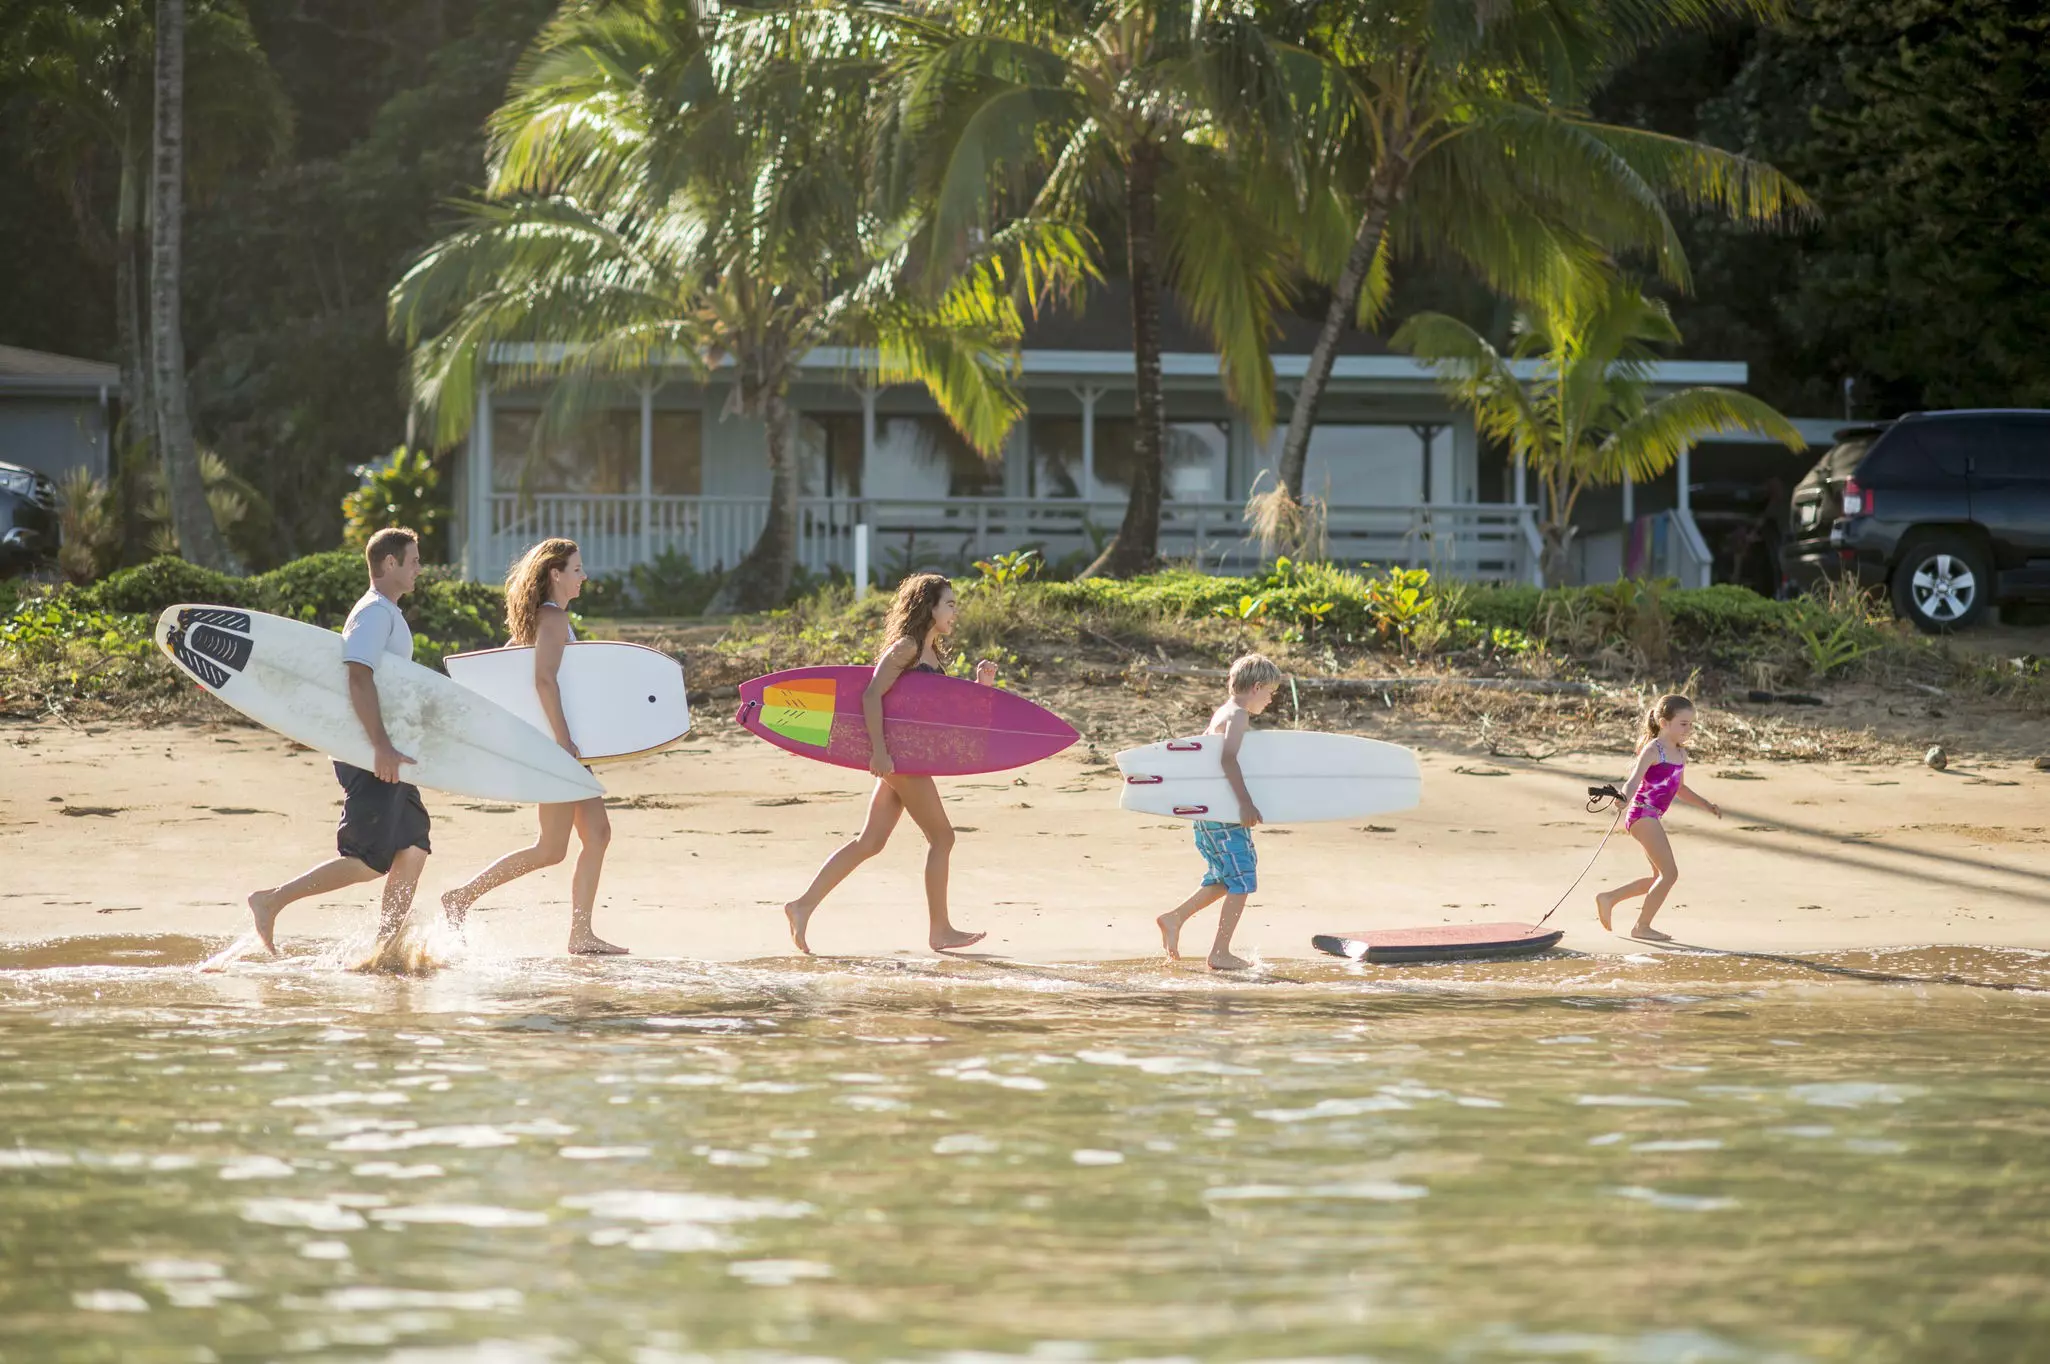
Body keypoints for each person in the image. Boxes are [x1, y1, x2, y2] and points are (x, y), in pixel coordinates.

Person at [783, 573, 995, 956]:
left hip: (905, 756)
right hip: (900, 759)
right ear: (928, 607)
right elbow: (870, 696)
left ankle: (802, 906)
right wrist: (879, 752)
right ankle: (940, 930)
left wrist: (981, 687)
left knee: (870, 842)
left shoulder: (931, 654)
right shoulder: (907, 648)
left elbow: (941, 714)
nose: (955, 611)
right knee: (943, 838)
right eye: (949, 603)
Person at [246, 527, 432, 953]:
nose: (420, 568)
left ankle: (385, 947)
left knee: (413, 844)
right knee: (367, 859)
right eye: (414, 560)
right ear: (390, 563)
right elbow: (357, 674)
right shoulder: (374, 613)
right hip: (369, 749)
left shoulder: (388, 612)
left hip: (385, 748)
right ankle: (271, 902)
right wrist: (380, 746)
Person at [440, 537, 622, 955]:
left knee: (587, 837)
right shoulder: (554, 619)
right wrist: (562, 739)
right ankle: (462, 898)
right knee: (557, 846)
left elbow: (508, 666)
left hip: (560, 745)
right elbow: (543, 679)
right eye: (577, 569)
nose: (584, 576)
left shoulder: (545, 619)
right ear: (556, 574)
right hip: (558, 747)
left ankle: (579, 933)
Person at [1156, 653, 1282, 971]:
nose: (1270, 700)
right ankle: (1220, 953)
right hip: (1225, 812)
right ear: (1256, 687)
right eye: (1269, 693)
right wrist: (1245, 803)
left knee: (1224, 877)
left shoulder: (1223, 712)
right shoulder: (1238, 715)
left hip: (1210, 810)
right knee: (1242, 879)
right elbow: (1227, 759)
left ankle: (1175, 918)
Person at [1595, 693, 1722, 941]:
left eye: (1691, 724)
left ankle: (1609, 898)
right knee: (1670, 874)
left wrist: (1706, 804)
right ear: (1664, 723)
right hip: (1642, 813)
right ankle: (1642, 927)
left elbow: (1680, 789)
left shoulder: (1680, 753)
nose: (1689, 729)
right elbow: (1633, 782)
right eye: (1683, 724)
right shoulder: (1654, 750)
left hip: (1652, 816)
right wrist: (1623, 798)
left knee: (1658, 878)